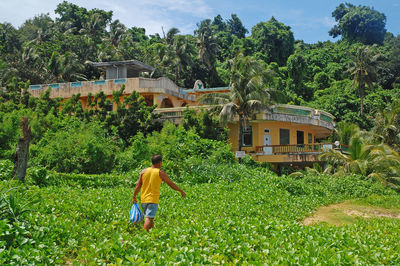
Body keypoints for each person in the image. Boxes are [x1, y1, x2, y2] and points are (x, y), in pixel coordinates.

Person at [132, 154, 186, 231]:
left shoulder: (143, 172)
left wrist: (134, 196)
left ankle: (153, 234)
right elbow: (171, 184)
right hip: (152, 199)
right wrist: (181, 191)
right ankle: (144, 235)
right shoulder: (160, 173)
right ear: (160, 163)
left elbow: (138, 185)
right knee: (149, 218)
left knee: (150, 218)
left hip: (143, 199)